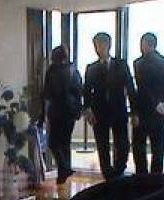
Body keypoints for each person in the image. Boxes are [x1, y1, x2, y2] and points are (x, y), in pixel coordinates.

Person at [83, 32, 137, 180]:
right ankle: (107, 174)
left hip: (118, 111)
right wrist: (87, 110)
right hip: (99, 112)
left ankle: (119, 170)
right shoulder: (91, 68)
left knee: (123, 144)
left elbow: (130, 88)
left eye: (100, 45)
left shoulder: (121, 65)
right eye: (96, 46)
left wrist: (135, 112)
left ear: (108, 45)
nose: (98, 49)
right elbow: (86, 91)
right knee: (102, 145)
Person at [133, 33, 164, 174]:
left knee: (139, 146)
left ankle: (142, 176)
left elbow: (143, 88)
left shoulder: (139, 63)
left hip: (143, 111)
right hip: (161, 112)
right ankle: (156, 177)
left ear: (144, 44)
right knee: (158, 146)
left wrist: (154, 103)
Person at [40, 45, 83, 184]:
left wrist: (43, 114)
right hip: (71, 112)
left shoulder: (52, 71)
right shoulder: (73, 70)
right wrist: (78, 110)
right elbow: (79, 91)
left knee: (53, 142)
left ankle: (64, 168)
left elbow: (47, 93)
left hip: (57, 111)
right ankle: (64, 171)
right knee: (65, 142)